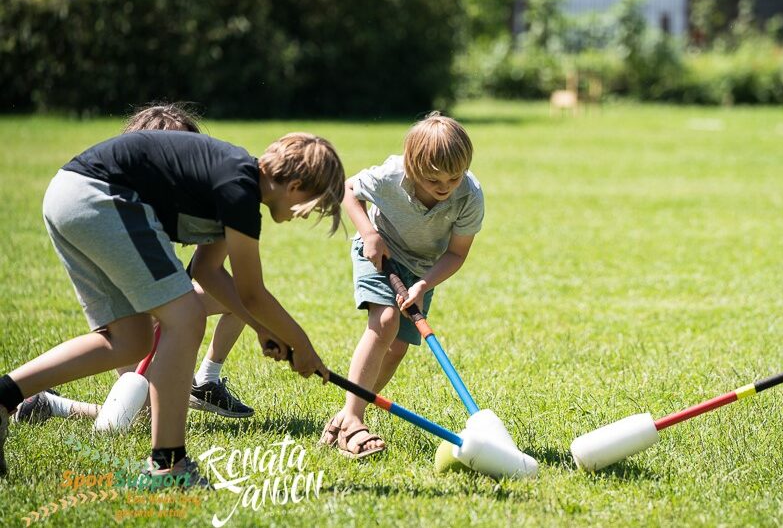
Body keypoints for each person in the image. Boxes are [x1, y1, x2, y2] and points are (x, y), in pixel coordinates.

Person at [0, 128, 342, 486]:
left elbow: (208, 272)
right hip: (99, 196)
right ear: (295, 186)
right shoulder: (239, 189)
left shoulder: (236, 184)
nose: (306, 216)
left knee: (130, 341)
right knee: (186, 317)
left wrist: (262, 329)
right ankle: (168, 464)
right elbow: (252, 292)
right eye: (313, 206)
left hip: (68, 196)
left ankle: (5, 395)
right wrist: (303, 346)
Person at [16, 104, 255, 422]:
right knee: (145, 414)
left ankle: (206, 381)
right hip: (129, 319)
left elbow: (204, 267)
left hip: (160, 307)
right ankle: (49, 404)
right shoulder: (115, 208)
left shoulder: (181, 196)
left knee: (239, 297)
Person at [319, 112, 484, 458]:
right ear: (412, 167)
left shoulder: (469, 195)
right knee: (385, 322)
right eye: (433, 179)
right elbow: (347, 190)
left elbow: (456, 253)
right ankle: (354, 421)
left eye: (454, 178)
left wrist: (423, 285)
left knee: (396, 348)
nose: (445, 187)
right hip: (381, 253)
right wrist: (369, 234)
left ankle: (347, 414)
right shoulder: (391, 175)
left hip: (424, 269)